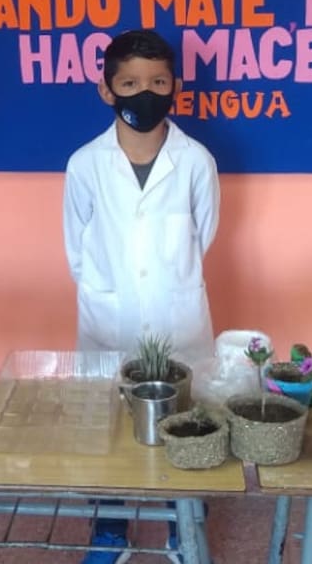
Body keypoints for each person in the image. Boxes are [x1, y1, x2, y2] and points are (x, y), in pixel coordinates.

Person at [63, 29, 220, 563]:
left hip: (178, 313)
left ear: (175, 85)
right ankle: (110, 528)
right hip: (109, 312)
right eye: (129, 83)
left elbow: (206, 234)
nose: (143, 93)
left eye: (156, 82)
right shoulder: (85, 164)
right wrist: (108, 287)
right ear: (107, 90)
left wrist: (166, 279)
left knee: (186, 417)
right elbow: (76, 247)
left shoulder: (196, 160)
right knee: (105, 419)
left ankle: (183, 526)